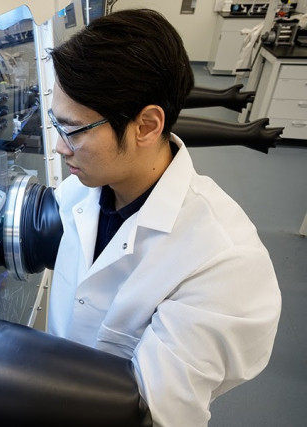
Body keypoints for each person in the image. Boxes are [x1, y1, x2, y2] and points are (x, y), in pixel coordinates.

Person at [45, 8, 281, 426]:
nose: (60, 148)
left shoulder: (223, 262)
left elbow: (153, 414)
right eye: (56, 123)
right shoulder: (85, 189)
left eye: (74, 130)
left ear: (147, 126)